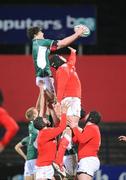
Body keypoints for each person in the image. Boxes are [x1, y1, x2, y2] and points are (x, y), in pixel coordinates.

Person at [27, 26, 85, 116]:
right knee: (54, 102)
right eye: (41, 32)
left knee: (48, 101)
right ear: (36, 34)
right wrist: (77, 34)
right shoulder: (42, 42)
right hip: (45, 76)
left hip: (40, 76)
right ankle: (41, 122)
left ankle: (40, 121)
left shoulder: (37, 45)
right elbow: (62, 43)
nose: (43, 33)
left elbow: (61, 46)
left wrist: (77, 36)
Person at [49, 46, 82, 176]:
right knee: (70, 128)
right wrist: (58, 102)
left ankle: (61, 156)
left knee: (68, 129)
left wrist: (73, 52)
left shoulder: (67, 66)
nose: (64, 57)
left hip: (71, 99)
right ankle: (59, 160)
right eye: (61, 57)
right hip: (71, 100)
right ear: (58, 61)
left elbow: (72, 60)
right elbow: (61, 86)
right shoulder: (63, 69)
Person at [33, 103, 69, 180]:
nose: (46, 119)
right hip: (43, 166)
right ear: (42, 123)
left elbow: (57, 126)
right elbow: (62, 127)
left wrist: (50, 107)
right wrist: (64, 113)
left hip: (48, 165)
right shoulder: (46, 133)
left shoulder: (46, 132)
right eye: (44, 119)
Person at [67, 110, 102, 180]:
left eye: (88, 114)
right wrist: (73, 129)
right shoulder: (90, 128)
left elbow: (81, 139)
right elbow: (76, 140)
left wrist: (74, 127)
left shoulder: (92, 128)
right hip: (86, 160)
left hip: (88, 160)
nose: (86, 115)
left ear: (91, 118)